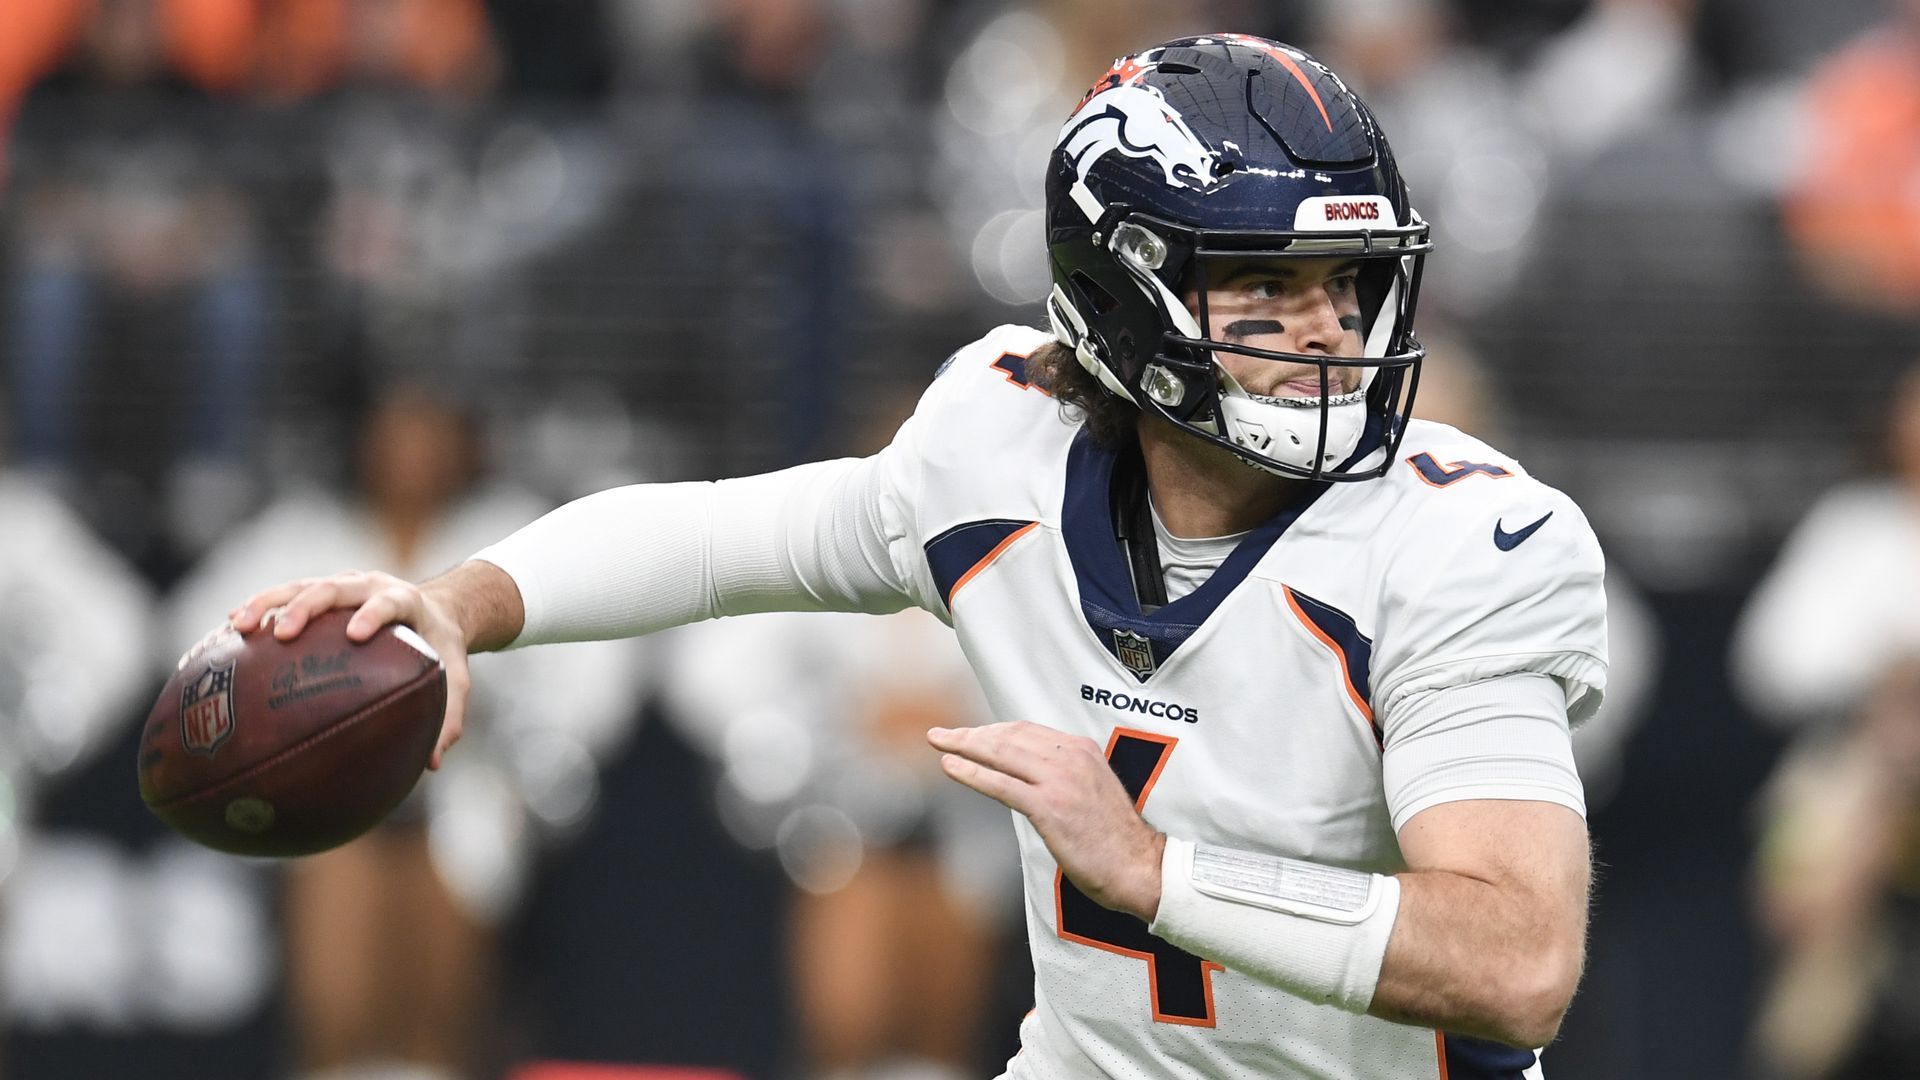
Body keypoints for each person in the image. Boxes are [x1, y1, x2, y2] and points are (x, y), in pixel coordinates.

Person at [233, 36, 1605, 1078]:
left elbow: (1520, 961)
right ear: (1121, 290)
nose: (1325, 332)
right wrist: (464, 603)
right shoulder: (996, 442)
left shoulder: (1459, 542)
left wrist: (1157, 876)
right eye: (1264, 283)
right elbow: (724, 537)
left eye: (1346, 286)